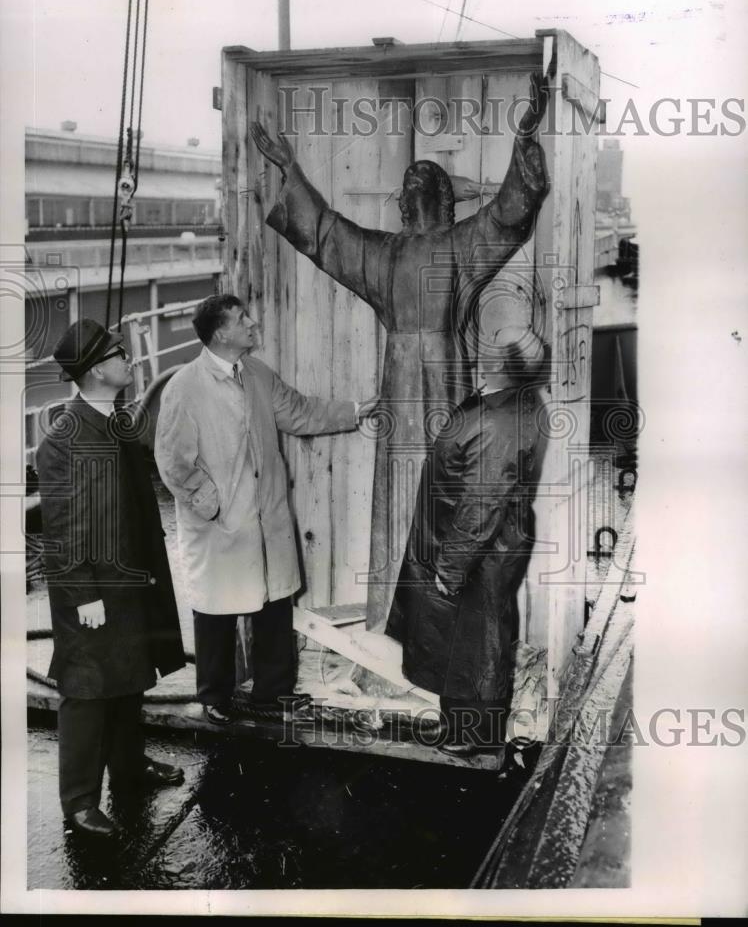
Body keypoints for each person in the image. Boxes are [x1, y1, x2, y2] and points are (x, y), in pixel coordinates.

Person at [251, 72, 549, 630]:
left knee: (404, 491)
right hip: (447, 382)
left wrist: (290, 170)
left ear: (405, 210)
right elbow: (513, 211)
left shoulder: (381, 253)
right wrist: (525, 136)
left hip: (401, 383)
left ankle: (392, 621)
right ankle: (438, 628)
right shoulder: (462, 243)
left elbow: (321, 232)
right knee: (451, 486)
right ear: (447, 206)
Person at [154, 294, 377, 725]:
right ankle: (214, 695)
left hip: (265, 517)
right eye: (243, 319)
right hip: (220, 524)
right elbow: (172, 462)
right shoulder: (184, 387)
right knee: (216, 611)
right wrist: (212, 506)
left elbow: (298, 411)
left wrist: (352, 411)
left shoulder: (256, 373)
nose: (253, 323)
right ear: (221, 333)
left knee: (274, 606)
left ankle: (272, 695)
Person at [36, 319, 187, 840]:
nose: (130, 360)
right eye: (121, 354)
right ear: (98, 369)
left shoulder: (115, 420)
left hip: (130, 578)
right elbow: (61, 527)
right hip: (94, 587)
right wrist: (83, 594)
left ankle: (127, 769)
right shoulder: (64, 439)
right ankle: (78, 800)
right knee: (88, 688)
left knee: (129, 675)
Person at [385, 326, 549, 757]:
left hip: (476, 549)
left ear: (501, 365)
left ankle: (473, 736)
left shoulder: (498, 420)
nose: (480, 351)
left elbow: (482, 502)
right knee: (462, 639)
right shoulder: (505, 401)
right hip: (477, 544)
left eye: (490, 350)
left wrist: (451, 567)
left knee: (475, 643)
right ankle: (462, 727)